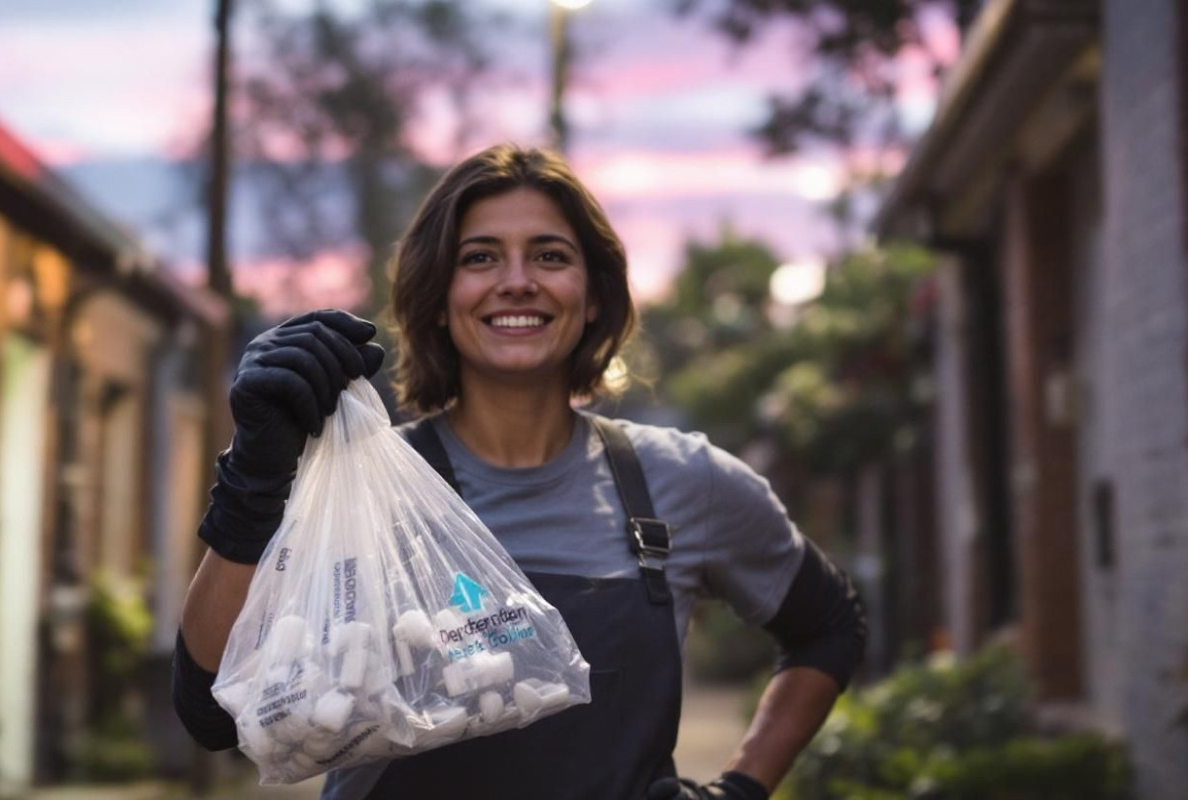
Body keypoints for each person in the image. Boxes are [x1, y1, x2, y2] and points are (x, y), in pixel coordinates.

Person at [172, 144, 866, 800]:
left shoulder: (681, 483)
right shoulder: (359, 491)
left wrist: (742, 788)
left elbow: (830, 626)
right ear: (440, 298)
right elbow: (209, 711)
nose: (516, 281)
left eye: (549, 255)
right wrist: (253, 477)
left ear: (593, 294)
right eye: (480, 258)